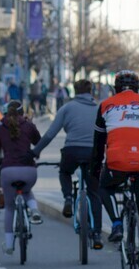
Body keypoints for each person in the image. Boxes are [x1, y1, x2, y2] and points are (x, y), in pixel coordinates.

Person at [91, 70, 139, 269]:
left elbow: (98, 144)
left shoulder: (106, 105)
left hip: (118, 162)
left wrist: (95, 170)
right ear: (137, 89)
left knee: (104, 187)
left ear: (115, 88)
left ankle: (116, 224)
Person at [32, 79, 103, 249]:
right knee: (94, 193)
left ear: (75, 92)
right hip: (93, 153)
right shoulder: (100, 109)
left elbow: (50, 134)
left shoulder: (67, 108)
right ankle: (98, 235)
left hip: (72, 150)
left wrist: (36, 151)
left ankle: (68, 198)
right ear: (91, 91)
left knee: (64, 172)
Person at [0, 101, 43, 254]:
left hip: (8, 171)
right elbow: (39, 143)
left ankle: (9, 244)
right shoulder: (29, 126)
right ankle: (33, 209)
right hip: (29, 171)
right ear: (22, 112)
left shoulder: (1, 128)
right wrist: (35, 155)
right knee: (26, 190)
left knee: (10, 207)